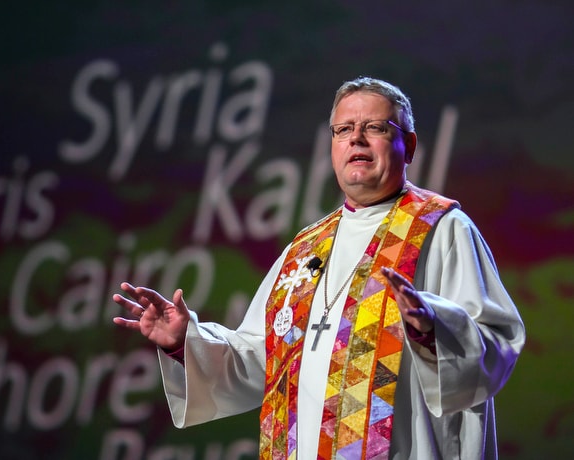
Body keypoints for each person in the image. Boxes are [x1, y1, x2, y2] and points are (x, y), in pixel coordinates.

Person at [113, 77, 525, 459]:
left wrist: (434, 329)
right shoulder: (307, 247)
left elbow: (497, 342)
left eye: (376, 128)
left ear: (410, 146)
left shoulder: (442, 228)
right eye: (343, 130)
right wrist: (184, 341)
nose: (356, 139)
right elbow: (261, 359)